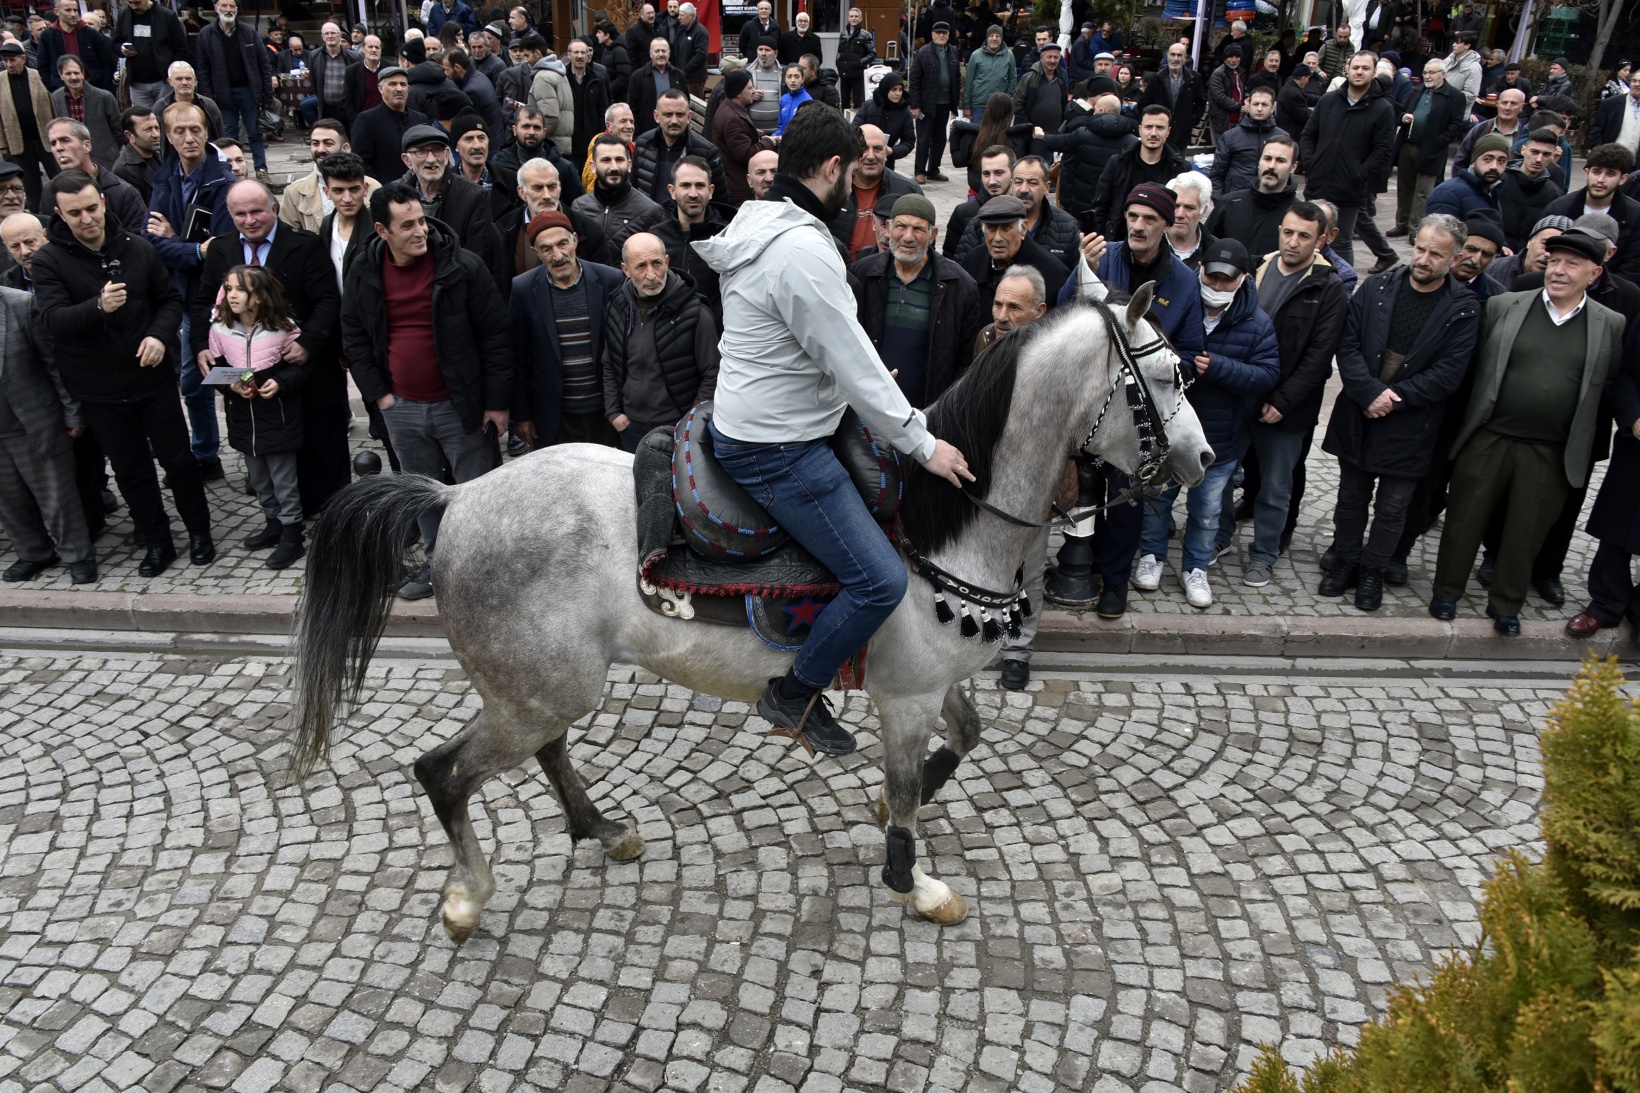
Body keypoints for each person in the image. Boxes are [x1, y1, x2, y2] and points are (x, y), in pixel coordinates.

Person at [689, 103, 971, 755]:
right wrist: (924, 442)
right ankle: (794, 690)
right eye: (853, 173)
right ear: (833, 168)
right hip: (777, 444)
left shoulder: (759, 215)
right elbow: (854, 366)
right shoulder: (801, 249)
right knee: (881, 580)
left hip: (765, 408)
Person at [1431, 229, 1624, 634]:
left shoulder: (1610, 324)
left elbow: (1609, 387)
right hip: (1489, 437)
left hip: (1551, 449)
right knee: (1465, 519)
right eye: (1554, 261)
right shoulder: (1504, 305)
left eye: (1572, 264)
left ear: (1594, 273)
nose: (1558, 270)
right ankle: (1446, 593)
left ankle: (1506, 605)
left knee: (1526, 531)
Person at [33, 170, 211, 576]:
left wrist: (159, 337)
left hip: (151, 380)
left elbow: (168, 301)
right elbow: (54, 321)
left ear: (103, 202)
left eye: (92, 208)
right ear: (59, 215)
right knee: (130, 470)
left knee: (179, 462)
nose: (86, 219)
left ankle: (200, 532)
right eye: (74, 213)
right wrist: (98, 307)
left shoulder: (137, 247)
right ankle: (156, 540)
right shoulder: (48, 260)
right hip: (99, 388)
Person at [341, 180, 510, 600]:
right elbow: (355, 337)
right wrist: (380, 396)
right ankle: (437, 567)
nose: (420, 231)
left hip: (461, 405)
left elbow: (495, 335)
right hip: (402, 407)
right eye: (407, 225)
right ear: (382, 231)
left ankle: (484, 571)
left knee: (477, 495)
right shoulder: (363, 271)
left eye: (422, 220)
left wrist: (496, 403)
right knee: (422, 493)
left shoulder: (462, 266)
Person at [1045, 183, 1205, 617]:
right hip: (1092, 404)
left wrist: (1162, 368)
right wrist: (1081, 268)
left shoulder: (1185, 282)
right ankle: (1082, 564)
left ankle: (1115, 581)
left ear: (1167, 226)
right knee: (1083, 493)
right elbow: (1062, 317)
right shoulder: (1104, 257)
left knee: (1129, 498)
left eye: (1149, 219)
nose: (1138, 226)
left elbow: (1189, 354)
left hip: (1140, 413)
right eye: (1133, 216)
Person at [1320, 215, 1478, 612]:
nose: (1423, 259)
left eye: (1435, 254)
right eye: (1420, 248)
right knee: (1351, 497)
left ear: (1454, 258)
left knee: (1392, 508)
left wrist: (1394, 398)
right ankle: (1347, 561)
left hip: (1411, 423)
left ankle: (1373, 570)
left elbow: (1449, 373)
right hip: (1360, 412)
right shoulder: (1375, 287)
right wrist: (1370, 392)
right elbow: (1349, 344)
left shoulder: (1463, 308)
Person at [1136, 237, 1277, 609]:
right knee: (1157, 499)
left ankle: (1196, 568)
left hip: (1218, 439)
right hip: (1168, 434)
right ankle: (1151, 557)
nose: (1216, 287)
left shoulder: (1256, 323)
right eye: (1211, 277)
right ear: (1200, 270)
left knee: (1207, 510)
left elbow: (1266, 375)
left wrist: (1221, 368)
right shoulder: (1179, 307)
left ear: (1244, 279)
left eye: (1226, 281)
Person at [192, 178, 347, 514]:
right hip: (253, 379)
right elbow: (203, 302)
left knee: (321, 445)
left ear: (273, 209)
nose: (249, 220)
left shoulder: (304, 245)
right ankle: (281, 518)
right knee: (267, 450)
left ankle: (332, 515)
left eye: (256, 211)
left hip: (305, 367)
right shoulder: (221, 249)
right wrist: (200, 346)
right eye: (240, 214)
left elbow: (327, 300)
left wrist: (308, 342)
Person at [1237, 202, 1348, 588]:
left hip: (1287, 410)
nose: (1293, 242)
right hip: (1242, 397)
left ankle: (1264, 555)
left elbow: (1319, 359)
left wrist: (1282, 402)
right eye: (1288, 232)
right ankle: (1216, 539)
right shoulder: (1258, 271)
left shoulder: (1329, 287)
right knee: (1222, 477)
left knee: (1275, 489)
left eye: (1304, 236)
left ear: (1320, 241)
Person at [147, 102, 236, 480]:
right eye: (180, 131)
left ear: (206, 132)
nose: (189, 137)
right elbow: (150, 241)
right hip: (182, 295)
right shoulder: (164, 178)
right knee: (193, 380)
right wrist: (190, 247)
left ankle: (250, 453)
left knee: (233, 373)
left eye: (195, 129)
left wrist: (176, 242)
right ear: (168, 136)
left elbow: (217, 249)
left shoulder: (222, 181)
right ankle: (206, 454)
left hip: (220, 297)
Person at [206, 264, 309, 567]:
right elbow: (217, 369)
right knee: (260, 479)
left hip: (277, 419)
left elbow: (301, 368)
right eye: (228, 288)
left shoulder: (284, 328)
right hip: (243, 421)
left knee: (283, 480)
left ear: (260, 297)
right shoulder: (220, 329)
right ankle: (273, 523)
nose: (232, 295)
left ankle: (293, 534)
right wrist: (232, 386)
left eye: (240, 289)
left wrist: (282, 382)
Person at [0, 278, 95, 584]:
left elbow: (53, 364)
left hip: (32, 420)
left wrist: (72, 413)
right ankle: (34, 553)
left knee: (56, 495)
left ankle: (77, 554)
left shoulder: (19, 304)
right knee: (8, 500)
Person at [850, 193, 981, 409]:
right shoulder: (862, 275)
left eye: (918, 229)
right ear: (889, 228)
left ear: (932, 235)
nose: (908, 237)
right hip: (868, 408)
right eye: (901, 226)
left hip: (928, 413)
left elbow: (964, 364)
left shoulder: (961, 286)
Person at [509, 209, 625, 450]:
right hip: (554, 417)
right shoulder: (523, 288)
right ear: (536, 253)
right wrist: (521, 416)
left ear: (574, 239)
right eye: (546, 249)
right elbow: (518, 358)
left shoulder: (611, 280)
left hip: (606, 412)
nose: (557, 255)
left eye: (562, 243)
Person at [599, 230, 717, 450]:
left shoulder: (696, 313)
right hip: (631, 429)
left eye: (657, 263)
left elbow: (712, 374)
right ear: (626, 270)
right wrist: (614, 412)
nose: (651, 275)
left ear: (667, 262)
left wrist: (689, 426)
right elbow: (609, 362)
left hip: (677, 431)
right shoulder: (617, 306)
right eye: (641, 266)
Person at [1298, 50, 1395, 269]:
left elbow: (1383, 150)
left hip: (1349, 190)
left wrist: (1358, 174)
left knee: (1340, 243)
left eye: (1365, 68)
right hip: (1318, 183)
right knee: (1308, 238)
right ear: (1347, 69)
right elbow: (1308, 135)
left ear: (1373, 73)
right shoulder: (1329, 101)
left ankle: (1343, 289)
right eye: (1356, 67)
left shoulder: (1382, 109)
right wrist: (1311, 163)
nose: (1359, 72)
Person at [1390, 59, 1471, 238]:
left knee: (1423, 192)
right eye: (1425, 72)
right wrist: (1403, 117)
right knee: (1404, 188)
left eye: (1431, 72)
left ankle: (1416, 229)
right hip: (1407, 145)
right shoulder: (1416, 90)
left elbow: (1456, 125)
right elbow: (1402, 111)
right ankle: (1401, 224)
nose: (1427, 76)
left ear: (1442, 74)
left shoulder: (1454, 96)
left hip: (1431, 150)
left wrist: (1439, 141)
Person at [195, 0, 274, 181]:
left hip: (248, 91)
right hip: (222, 93)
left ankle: (261, 170)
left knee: (254, 133)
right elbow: (202, 69)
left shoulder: (248, 32)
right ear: (216, 8)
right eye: (224, 6)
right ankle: (230, 171)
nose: (228, 10)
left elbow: (263, 64)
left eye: (232, 6)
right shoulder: (206, 34)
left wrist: (267, 94)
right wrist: (208, 98)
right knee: (228, 134)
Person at [1544, 143, 1640, 280]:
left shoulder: (1635, 215)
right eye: (1597, 172)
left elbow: (1632, 266)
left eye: (1610, 174)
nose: (1600, 180)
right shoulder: (1559, 208)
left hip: (1610, 291)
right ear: (1587, 172)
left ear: (1623, 179)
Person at [1090, 105, 1188, 238]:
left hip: (1163, 243)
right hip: (1120, 240)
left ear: (1168, 131)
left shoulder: (1180, 169)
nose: (1153, 133)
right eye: (1148, 127)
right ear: (1140, 129)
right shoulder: (1118, 163)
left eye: (1160, 127)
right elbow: (1100, 207)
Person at [1040, 93, 1133, 231]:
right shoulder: (1131, 142)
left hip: (1082, 203)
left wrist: (1040, 135)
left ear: (1102, 111)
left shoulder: (1083, 134)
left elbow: (1057, 142)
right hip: (1114, 206)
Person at [960, 193, 1067, 312]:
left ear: (1024, 229)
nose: (998, 238)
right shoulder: (973, 260)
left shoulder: (1051, 272)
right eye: (991, 228)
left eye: (1006, 228)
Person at [829, 123, 921, 261]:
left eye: (878, 149)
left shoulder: (908, 191)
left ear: (886, 153)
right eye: (864, 148)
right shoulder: (833, 189)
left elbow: (925, 244)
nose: (870, 156)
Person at [43, 119, 147, 233]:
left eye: (65, 140)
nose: (58, 148)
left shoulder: (122, 193)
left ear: (86, 146)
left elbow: (139, 240)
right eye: (53, 143)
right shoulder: (49, 192)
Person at [571, 133, 658, 266]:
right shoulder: (579, 207)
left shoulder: (651, 211)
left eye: (619, 160)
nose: (614, 167)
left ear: (629, 164)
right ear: (593, 166)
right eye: (606, 160)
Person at [1206, 135, 1298, 258]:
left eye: (1280, 160)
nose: (1271, 166)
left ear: (1293, 167)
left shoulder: (1298, 215)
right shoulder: (1230, 203)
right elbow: (1205, 247)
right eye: (1267, 158)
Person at [280, 120, 379, 232]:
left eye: (328, 143)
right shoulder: (295, 191)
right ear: (327, 191)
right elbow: (287, 236)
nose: (321, 149)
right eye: (315, 143)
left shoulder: (373, 187)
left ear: (345, 148)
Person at [0, 41, 55, 212]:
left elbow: (54, 105)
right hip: (19, 141)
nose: (9, 64)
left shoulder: (38, 76)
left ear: (23, 58)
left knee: (57, 177)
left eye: (12, 60)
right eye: (5, 60)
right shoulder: (0, 80)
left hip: (45, 137)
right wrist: (2, 144)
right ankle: (38, 216)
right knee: (30, 185)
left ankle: (60, 207)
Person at [113, 0, 191, 111]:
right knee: (143, 122)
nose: (134, 6)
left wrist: (173, 75)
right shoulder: (124, 15)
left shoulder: (166, 15)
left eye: (137, 2)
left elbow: (181, 49)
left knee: (167, 117)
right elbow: (115, 43)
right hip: (137, 83)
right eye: (130, 3)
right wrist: (121, 49)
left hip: (164, 81)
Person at [1208, 85, 1284, 198]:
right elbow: (1217, 174)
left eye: (1264, 104)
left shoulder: (1283, 138)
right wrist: (1220, 201)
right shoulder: (1230, 137)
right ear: (1248, 105)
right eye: (1255, 104)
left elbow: (1287, 174)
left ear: (1272, 108)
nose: (1259, 108)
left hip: (1271, 201)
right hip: (1236, 200)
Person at [1497, 129, 1565, 253]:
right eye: (1534, 152)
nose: (1539, 159)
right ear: (1523, 150)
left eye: (1546, 154)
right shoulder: (1499, 181)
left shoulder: (1554, 194)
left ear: (1553, 156)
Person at [50, 57, 123, 173]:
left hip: (105, 162)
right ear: (61, 75)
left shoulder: (103, 97)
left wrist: (112, 151)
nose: (73, 77)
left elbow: (119, 130)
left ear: (83, 73)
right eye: (68, 74)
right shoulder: (56, 98)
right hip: (75, 162)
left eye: (76, 73)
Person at [909, 21, 960, 184]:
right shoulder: (923, 53)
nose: (941, 35)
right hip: (926, 105)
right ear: (932, 35)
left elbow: (957, 78)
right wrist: (915, 105)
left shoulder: (953, 52)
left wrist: (955, 103)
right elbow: (914, 80)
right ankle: (919, 171)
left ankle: (933, 169)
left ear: (948, 35)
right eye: (938, 33)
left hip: (944, 103)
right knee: (924, 138)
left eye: (944, 33)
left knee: (939, 138)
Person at [713, 71, 773, 206]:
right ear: (738, 92)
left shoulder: (728, 108)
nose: (753, 91)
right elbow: (747, 154)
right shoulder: (733, 118)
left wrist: (751, 132)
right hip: (738, 186)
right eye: (750, 88)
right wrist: (769, 142)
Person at [1137, 42, 1203, 152]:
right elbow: (1143, 104)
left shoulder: (1195, 78)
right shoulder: (1156, 78)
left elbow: (1201, 102)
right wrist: (1153, 121)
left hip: (1182, 135)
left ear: (1185, 58)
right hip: (1159, 134)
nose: (1175, 58)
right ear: (1167, 56)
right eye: (1172, 54)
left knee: (1179, 167)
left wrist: (1190, 121)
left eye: (1179, 55)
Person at [38, 0, 113, 93]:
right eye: (68, 10)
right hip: (62, 90)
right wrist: (53, 88)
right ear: (57, 11)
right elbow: (43, 66)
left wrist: (103, 86)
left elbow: (106, 61)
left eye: (75, 10)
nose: (73, 14)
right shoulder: (47, 35)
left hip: (93, 88)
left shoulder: (90, 33)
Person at [1012, 38, 1066, 162]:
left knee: (1047, 169)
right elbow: (1017, 104)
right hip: (1031, 137)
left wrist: (1061, 131)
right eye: (1049, 57)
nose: (1052, 61)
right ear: (1042, 58)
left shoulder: (1062, 79)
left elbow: (1063, 106)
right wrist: (1029, 127)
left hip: (1052, 136)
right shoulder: (1029, 78)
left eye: (1056, 57)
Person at [1454, 86, 1527, 171]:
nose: (1507, 107)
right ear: (1498, 104)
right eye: (1504, 102)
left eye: (1513, 103)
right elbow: (1460, 161)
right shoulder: (1480, 129)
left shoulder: (1524, 136)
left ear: (1522, 107)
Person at [854, 72, 914, 169]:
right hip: (863, 157)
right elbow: (854, 130)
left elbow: (909, 142)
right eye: (894, 89)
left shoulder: (904, 112)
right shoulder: (869, 106)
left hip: (887, 162)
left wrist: (892, 151)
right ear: (886, 89)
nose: (898, 93)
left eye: (900, 90)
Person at [306, 21, 360, 129]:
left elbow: (358, 83)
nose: (330, 36)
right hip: (327, 110)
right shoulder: (314, 56)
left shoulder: (353, 57)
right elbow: (314, 82)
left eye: (333, 33)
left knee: (352, 142)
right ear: (322, 36)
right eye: (326, 33)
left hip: (348, 110)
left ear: (340, 36)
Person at [155, 61, 227, 141]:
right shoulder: (161, 107)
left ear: (195, 81)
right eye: (179, 79)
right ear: (170, 81)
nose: (184, 82)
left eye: (188, 78)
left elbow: (220, 137)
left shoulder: (208, 105)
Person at [114, 107, 164, 203]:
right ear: (129, 135)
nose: (156, 134)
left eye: (157, 128)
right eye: (148, 129)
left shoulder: (157, 158)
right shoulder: (124, 170)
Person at [836, 7, 876, 111]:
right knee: (844, 102)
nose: (853, 18)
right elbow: (840, 52)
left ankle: (857, 125)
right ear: (848, 18)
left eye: (856, 16)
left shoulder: (865, 35)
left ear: (860, 18)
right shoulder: (843, 33)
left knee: (858, 103)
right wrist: (839, 64)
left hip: (857, 74)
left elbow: (872, 54)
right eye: (851, 16)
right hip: (844, 73)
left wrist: (860, 63)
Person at [1207, 43, 1246, 148]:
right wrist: (1240, 107)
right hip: (1222, 120)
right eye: (1231, 57)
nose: (1234, 60)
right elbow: (1219, 97)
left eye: (1237, 57)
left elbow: (1242, 92)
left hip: (1238, 120)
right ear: (1225, 58)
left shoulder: (1240, 73)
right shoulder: (1218, 74)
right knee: (1222, 150)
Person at [745, 39, 784, 134]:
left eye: (767, 50)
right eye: (760, 49)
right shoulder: (746, 72)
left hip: (778, 134)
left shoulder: (785, 72)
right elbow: (735, 100)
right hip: (752, 133)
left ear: (775, 53)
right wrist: (749, 96)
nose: (763, 53)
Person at [671, 3, 709, 97]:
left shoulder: (700, 31)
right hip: (681, 76)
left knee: (694, 105)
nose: (679, 17)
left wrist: (685, 69)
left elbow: (701, 55)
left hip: (694, 78)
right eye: (679, 15)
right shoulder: (681, 29)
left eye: (682, 15)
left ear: (691, 16)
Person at [1441, 32, 1482, 111]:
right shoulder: (1448, 60)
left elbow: (1470, 95)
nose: (1453, 45)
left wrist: (1445, 100)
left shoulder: (1473, 67)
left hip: (1455, 113)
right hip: (1438, 108)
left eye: (1457, 42)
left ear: (1467, 45)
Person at [592, 22, 632, 103]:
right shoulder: (607, 49)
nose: (597, 35)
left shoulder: (619, 51)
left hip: (618, 99)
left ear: (607, 35)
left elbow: (624, 77)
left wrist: (608, 89)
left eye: (599, 32)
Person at [773, 64, 811, 138]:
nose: (793, 80)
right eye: (789, 77)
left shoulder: (808, 101)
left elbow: (808, 131)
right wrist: (773, 137)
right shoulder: (784, 99)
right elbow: (781, 128)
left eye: (797, 77)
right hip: (784, 146)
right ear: (785, 79)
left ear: (802, 79)